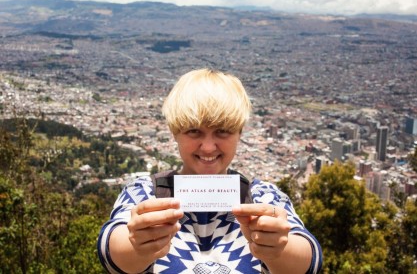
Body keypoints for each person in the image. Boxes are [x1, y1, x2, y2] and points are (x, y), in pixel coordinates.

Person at [97, 68, 322, 273]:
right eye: (194, 131)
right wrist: (136, 245)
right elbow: (111, 249)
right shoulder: (146, 194)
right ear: (175, 131)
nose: (208, 147)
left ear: (240, 133)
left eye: (222, 131)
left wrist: (280, 248)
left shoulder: (262, 197)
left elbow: (309, 260)